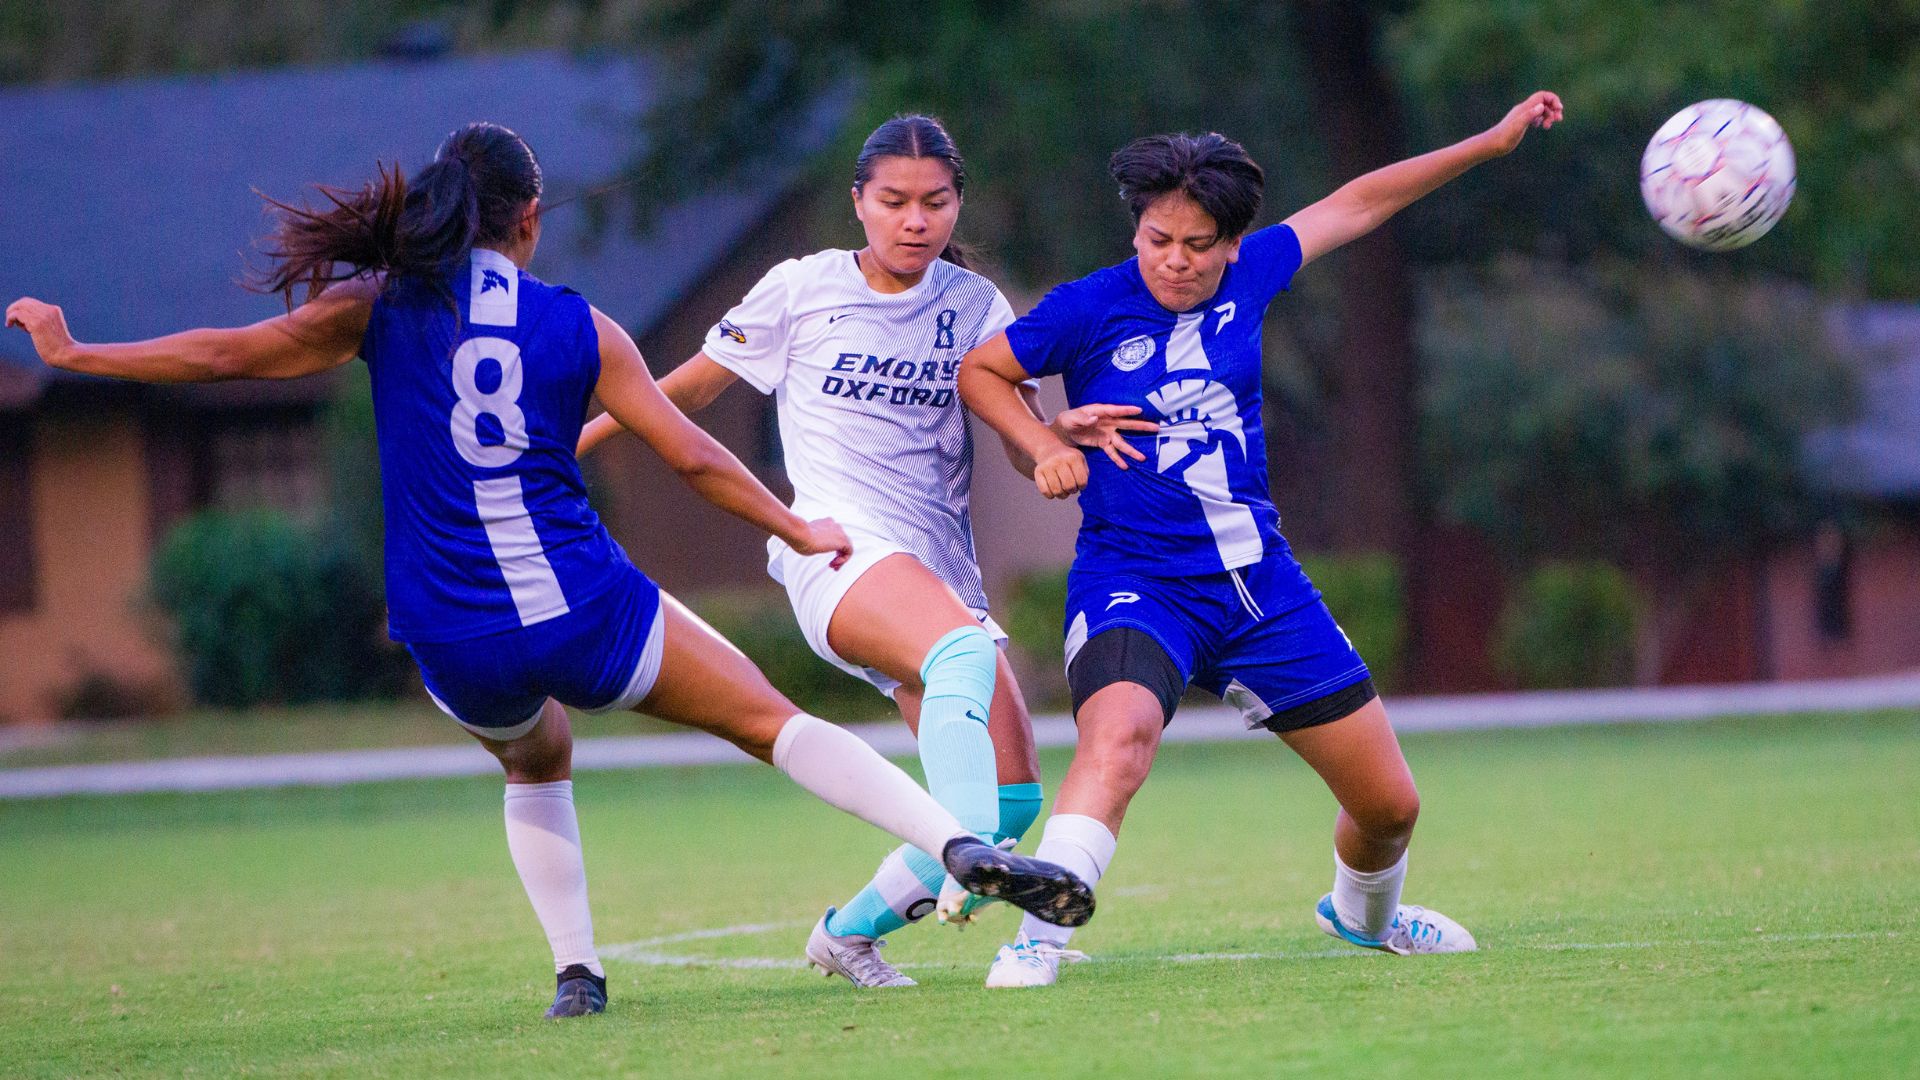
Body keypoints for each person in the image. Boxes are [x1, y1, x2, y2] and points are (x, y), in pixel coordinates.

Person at [4, 121, 1094, 1018]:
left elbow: (221, 355)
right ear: (528, 221)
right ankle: (950, 843)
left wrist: (79, 354)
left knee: (536, 763)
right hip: (587, 605)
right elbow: (694, 452)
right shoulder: (578, 323)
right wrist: (793, 526)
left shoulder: (377, 308)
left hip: (449, 626)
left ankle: (579, 971)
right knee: (774, 725)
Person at [958, 92, 1564, 987]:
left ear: (1233, 243)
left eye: (1197, 245)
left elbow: (1361, 201)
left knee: (1390, 806)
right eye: (1158, 239)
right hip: (1136, 582)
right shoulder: (1087, 309)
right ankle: (1040, 937)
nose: (1175, 260)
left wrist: (1488, 140)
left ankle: (1365, 919)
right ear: (1136, 232)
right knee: (1118, 738)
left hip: (1257, 589)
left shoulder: (1257, 272)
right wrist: (1044, 442)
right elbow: (984, 370)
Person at [577, 115, 1147, 987]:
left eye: (935, 201)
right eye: (893, 202)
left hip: (935, 575)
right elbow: (683, 390)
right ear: (858, 203)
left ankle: (846, 936)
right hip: (833, 552)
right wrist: (568, 444)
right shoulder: (801, 288)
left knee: (1015, 803)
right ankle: (962, 847)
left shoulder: (973, 308)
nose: (915, 220)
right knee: (961, 696)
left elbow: (1011, 432)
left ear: (958, 205)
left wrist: (1050, 438)